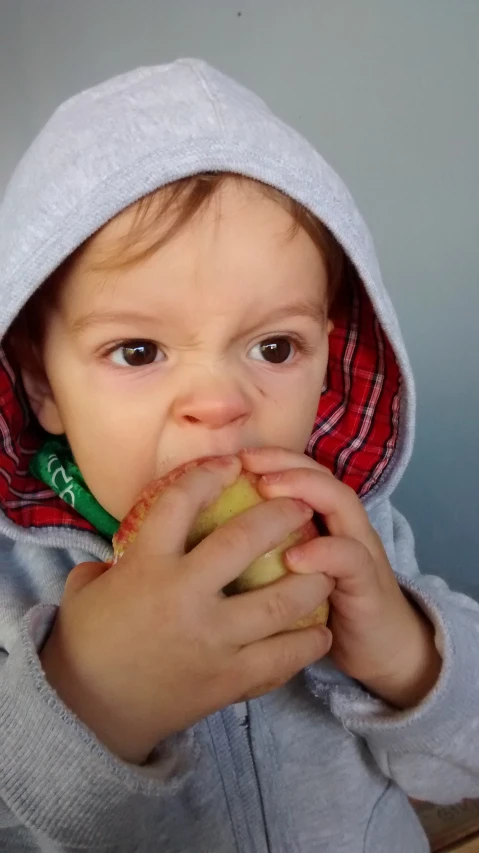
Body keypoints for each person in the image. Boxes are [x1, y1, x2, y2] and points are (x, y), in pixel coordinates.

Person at [0, 58, 478, 853]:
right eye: (139, 349)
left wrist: (406, 655)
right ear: (43, 386)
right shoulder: (15, 578)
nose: (220, 402)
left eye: (273, 344)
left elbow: (458, 769)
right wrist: (91, 699)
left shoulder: (350, 530)